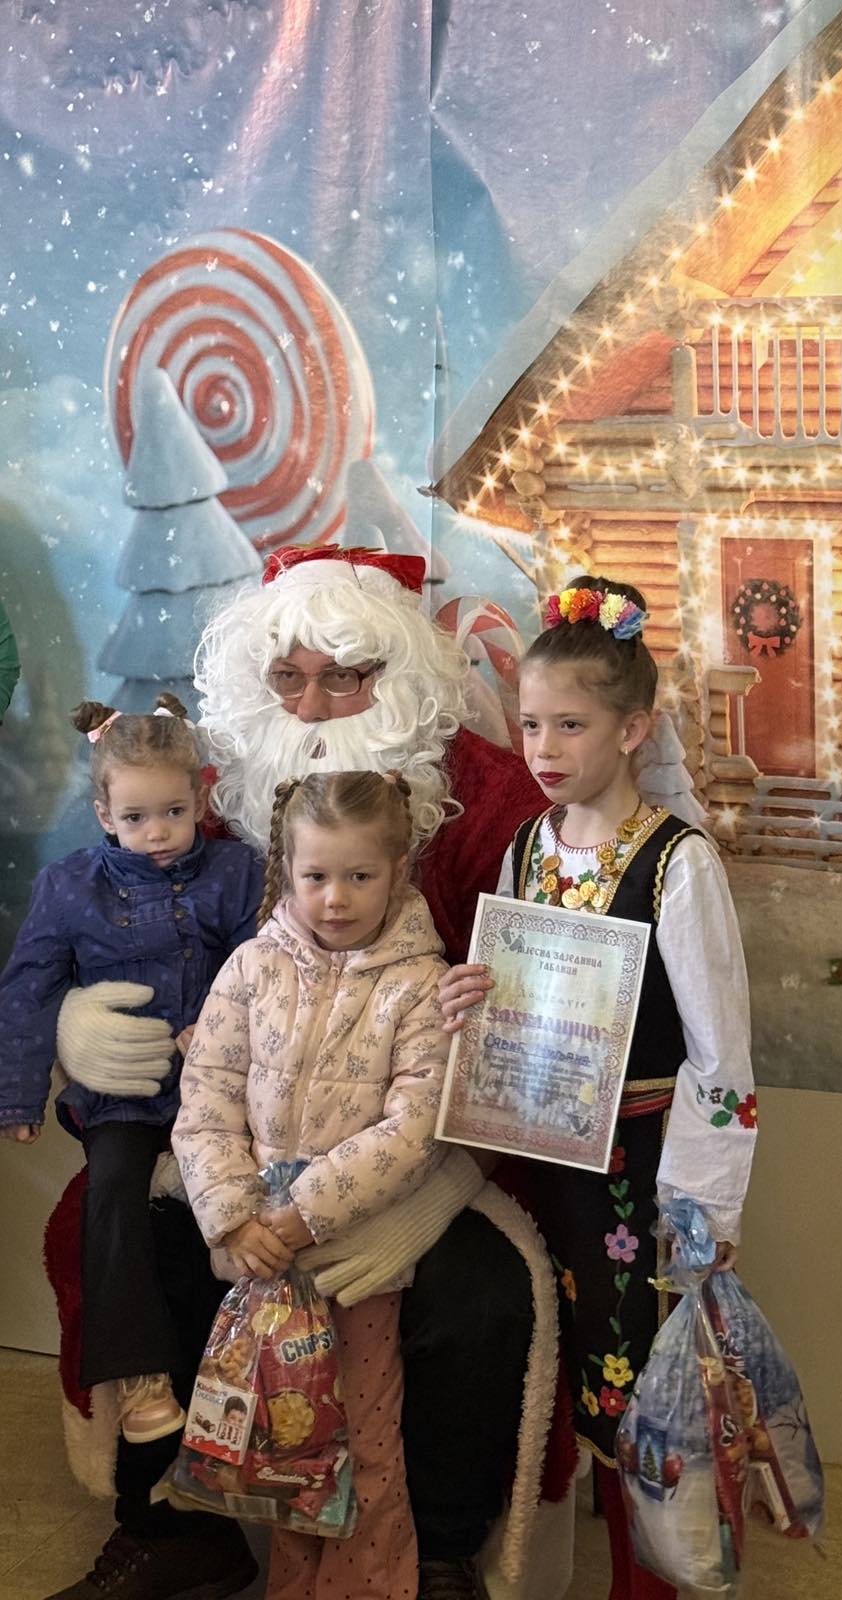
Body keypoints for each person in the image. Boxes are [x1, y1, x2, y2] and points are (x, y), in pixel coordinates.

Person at [50, 547, 550, 1600]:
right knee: (131, 1233)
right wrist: (73, 1021)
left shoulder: (493, 797)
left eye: (345, 676)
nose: (313, 705)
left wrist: (434, 1188)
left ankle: (440, 1550)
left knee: (479, 1300)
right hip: (246, 1142)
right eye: (288, 677)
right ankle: (175, 1527)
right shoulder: (218, 782)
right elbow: (133, 933)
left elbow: (542, 1024)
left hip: (428, 1153)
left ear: (399, 677)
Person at [438, 576, 758, 1600]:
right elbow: (513, 988)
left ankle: (651, 1584)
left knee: (639, 1384)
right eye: (531, 723)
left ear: (633, 728)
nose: (543, 747)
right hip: (542, 1152)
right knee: (559, 1369)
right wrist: (473, 994)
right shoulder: (529, 845)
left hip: (637, 1174)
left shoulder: (675, 861)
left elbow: (721, 1053)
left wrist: (701, 1205)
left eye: (570, 724)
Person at [0, 695, 263, 1594]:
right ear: (104, 813)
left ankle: (237, 1455)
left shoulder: (234, 872)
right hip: (120, 1095)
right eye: (138, 817)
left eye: (175, 813)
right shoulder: (70, 885)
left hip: (213, 1089)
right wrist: (19, 1092)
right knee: (113, 1195)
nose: (158, 835)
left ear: (202, 799)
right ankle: (144, 1381)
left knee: (216, 1216)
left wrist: (220, 1023)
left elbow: (263, 961)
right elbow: (29, 985)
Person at [173, 770, 451, 1600]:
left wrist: (304, 1216)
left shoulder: (421, 984)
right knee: (280, 1446)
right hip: (259, 1263)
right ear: (287, 872)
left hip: (352, 1261)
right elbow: (206, 1100)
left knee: (362, 1443)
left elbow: (415, 1127)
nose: (335, 898)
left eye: (359, 875)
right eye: (316, 875)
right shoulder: (251, 968)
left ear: (398, 869)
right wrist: (233, 1218)